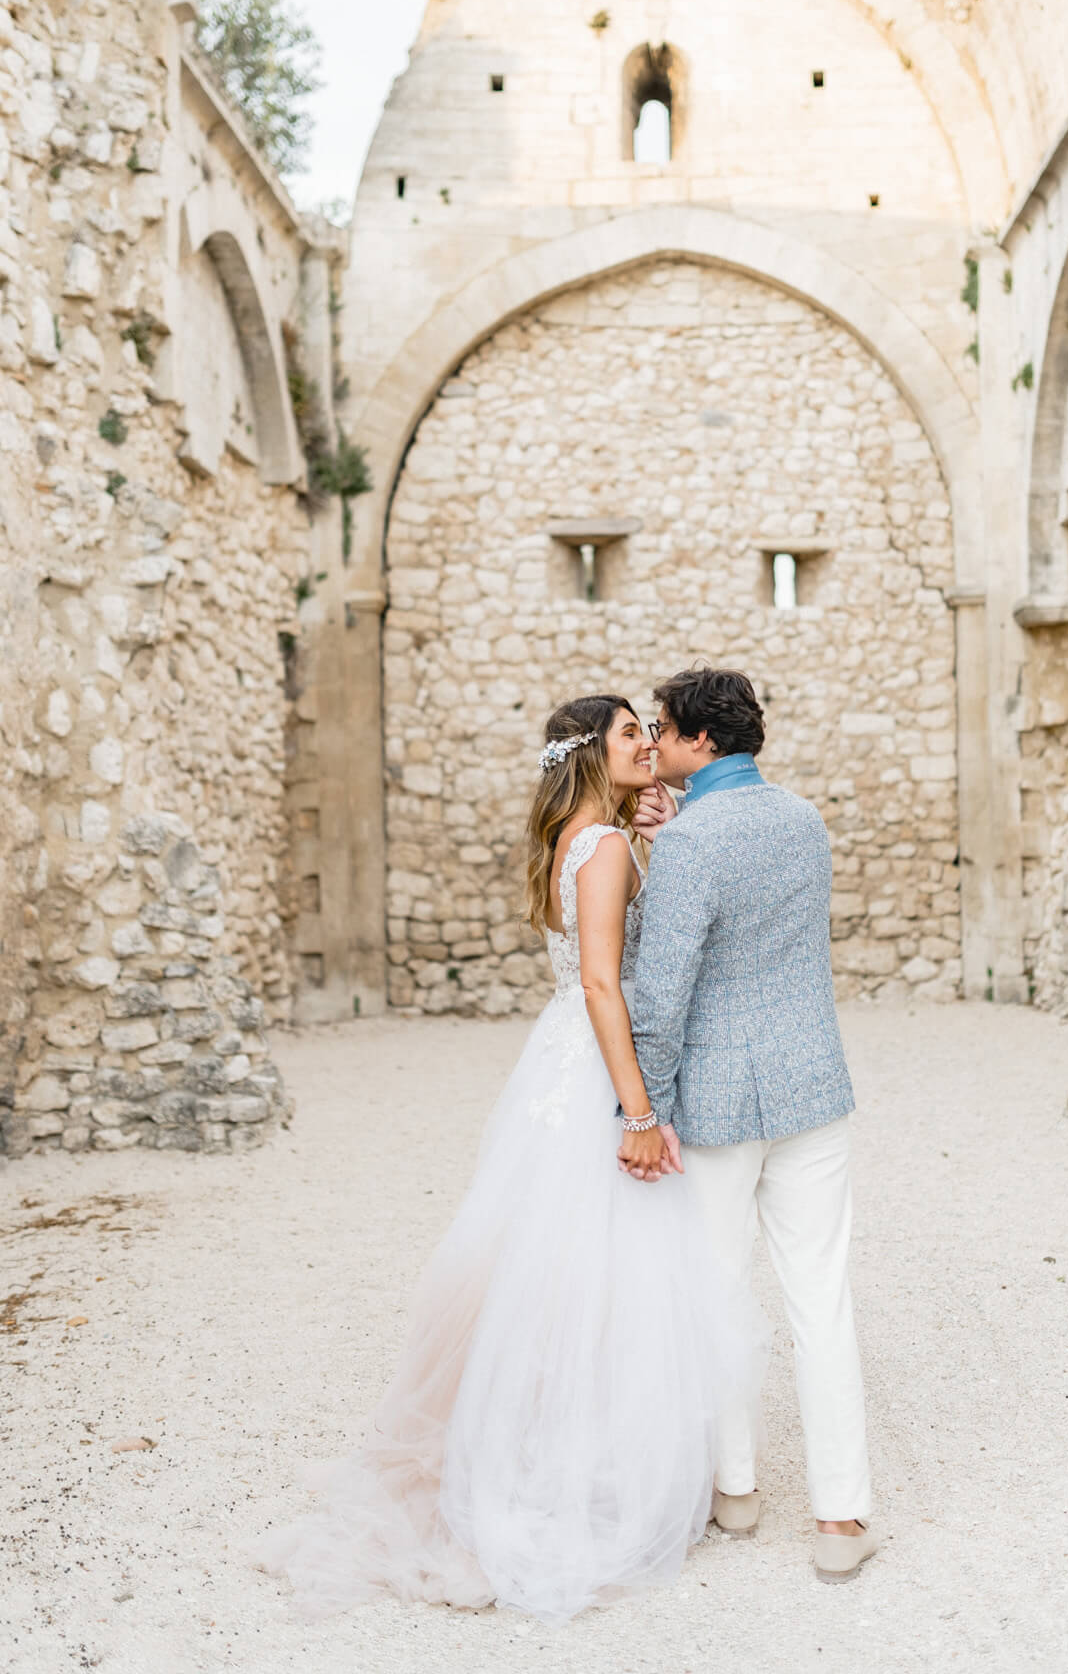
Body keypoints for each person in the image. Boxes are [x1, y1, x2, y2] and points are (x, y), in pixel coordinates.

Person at [249, 694, 755, 1624]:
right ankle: (569, 1469)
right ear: (593, 755)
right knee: (598, 1266)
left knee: (554, 1263)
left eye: (653, 729)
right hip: (598, 1063)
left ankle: (543, 1442)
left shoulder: (584, 834)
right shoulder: (602, 848)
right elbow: (605, 979)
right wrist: (637, 1110)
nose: (650, 743)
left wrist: (655, 833)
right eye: (632, 733)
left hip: (559, 1056)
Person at [631, 665, 877, 1583]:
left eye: (659, 729)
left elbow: (662, 994)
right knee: (822, 1298)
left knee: (720, 1291)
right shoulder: (803, 819)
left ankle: (735, 1489)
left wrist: (640, 1108)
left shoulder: (693, 841)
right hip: (812, 1084)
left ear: (698, 741)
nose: (650, 744)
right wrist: (673, 840)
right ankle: (841, 1517)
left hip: (720, 1099)